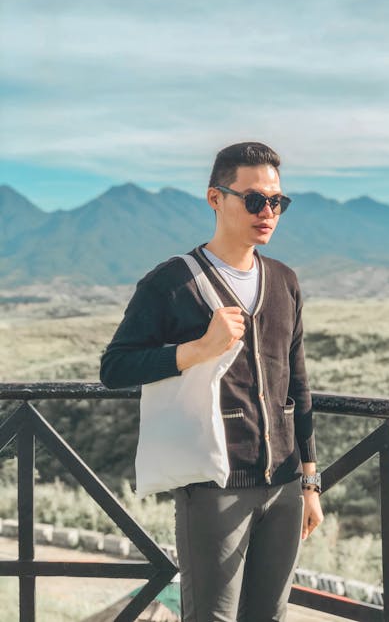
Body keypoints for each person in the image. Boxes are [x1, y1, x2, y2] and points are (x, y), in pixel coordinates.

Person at [100, 141, 324, 622]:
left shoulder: (284, 280)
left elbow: (297, 385)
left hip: (284, 485)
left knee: (270, 616)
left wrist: (310, 483)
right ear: (215, 198)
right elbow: (115, 367)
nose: (268, 211)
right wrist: (198, 350)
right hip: (214, 487)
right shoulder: (170, 283)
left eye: (276, 202)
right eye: (254, 199)